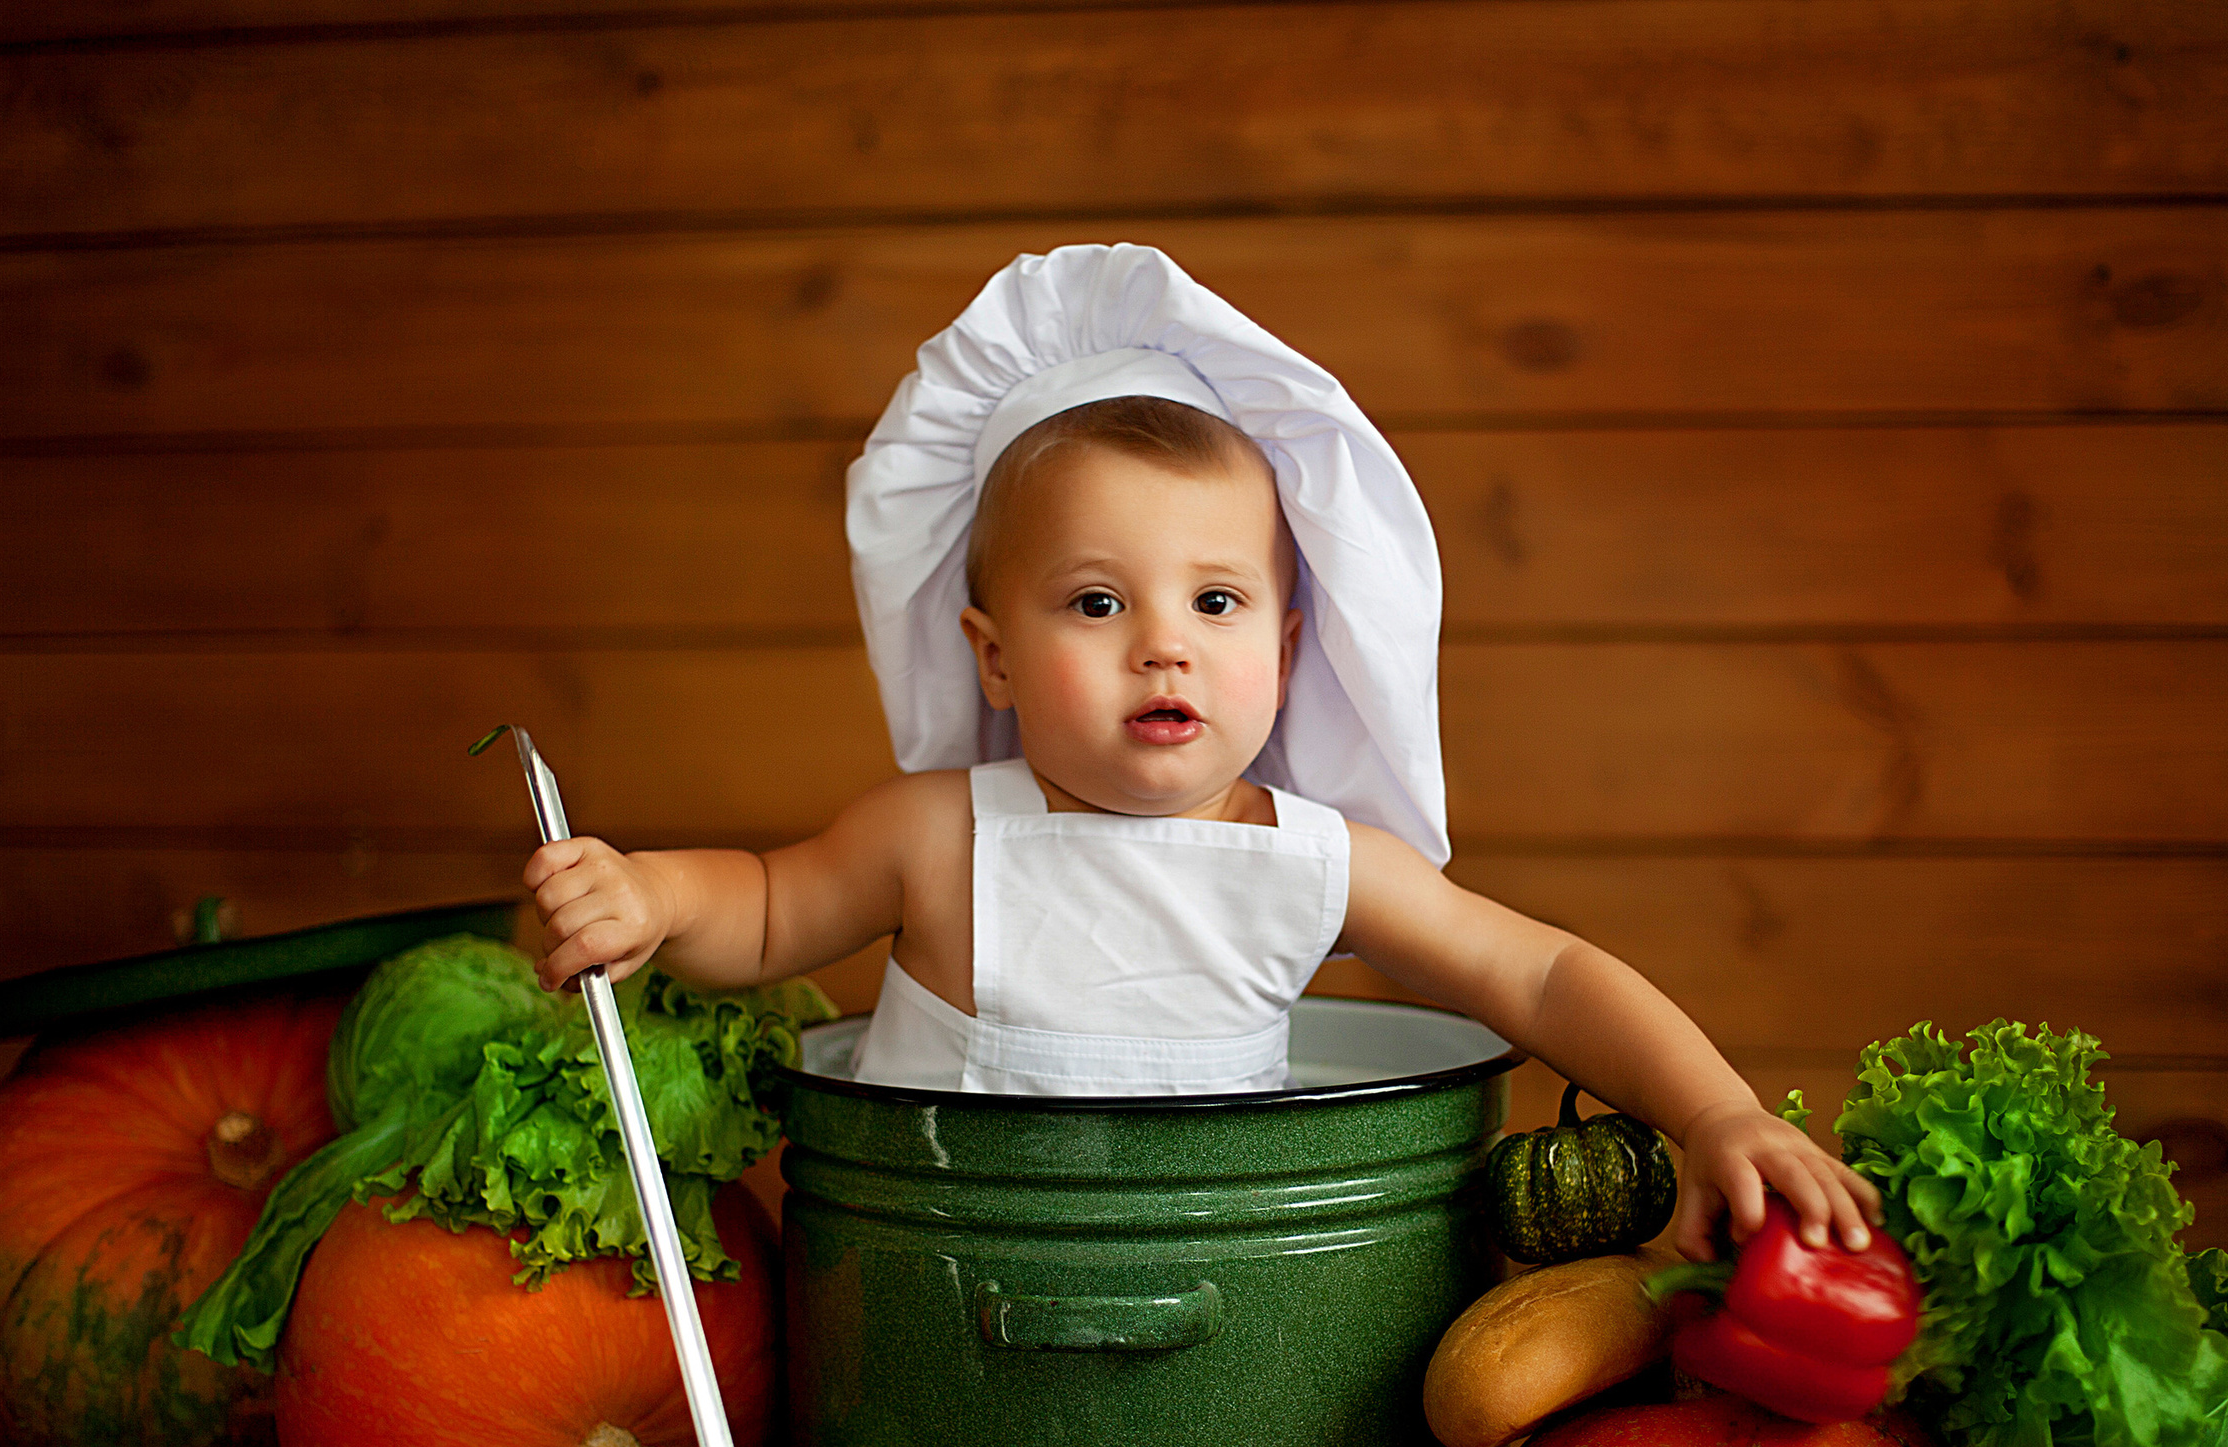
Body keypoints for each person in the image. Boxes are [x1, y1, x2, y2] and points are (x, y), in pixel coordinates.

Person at [522, 245, 1877, 1262]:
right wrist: (650, 897)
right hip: (935, 1291)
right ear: (993, 654)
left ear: (1287, 645)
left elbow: (1539, 971)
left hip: (1213, 1308)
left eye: (1214, 602)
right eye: (1098, 603)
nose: (1162, 646)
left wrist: (1714, 1116)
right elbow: (763, 909)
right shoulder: (940, 836)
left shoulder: (1310, 863)